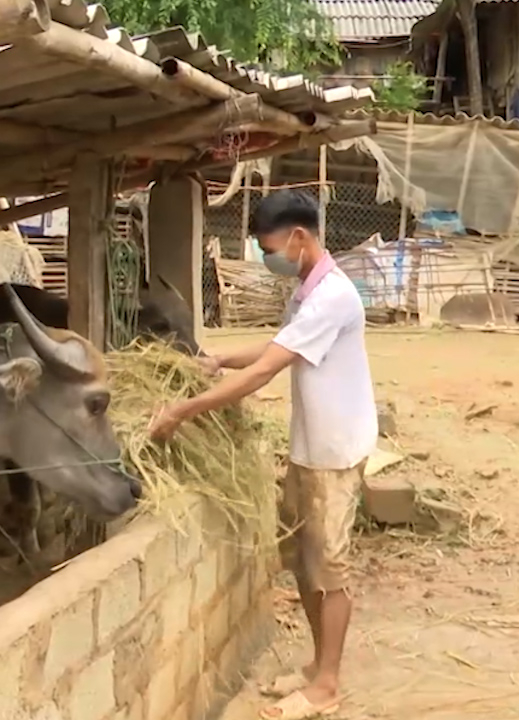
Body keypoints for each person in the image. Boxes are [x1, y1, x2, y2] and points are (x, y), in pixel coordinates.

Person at [147, 190, 376, 720]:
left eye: (269, 247)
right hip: (309, 447)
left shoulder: (332, 298)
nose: (268, 257)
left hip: (336, 452)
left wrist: (184, 411)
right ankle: (317, 667)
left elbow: (264, 372)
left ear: (299, 237)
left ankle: (329, 684)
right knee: (303, 559)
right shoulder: (306, 291)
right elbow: (279, 345)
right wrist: (219, 357)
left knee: (331, 567)